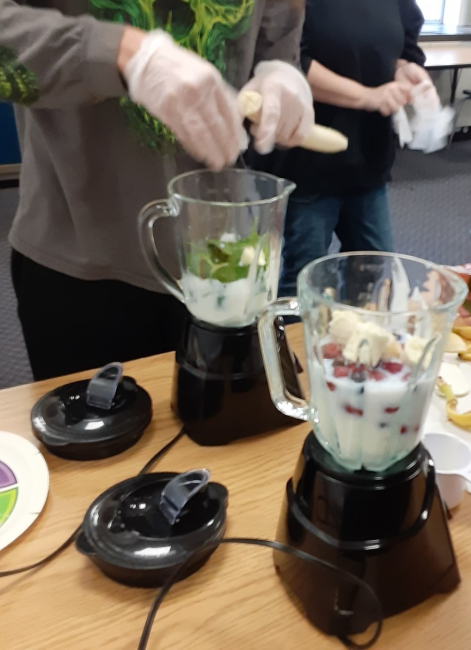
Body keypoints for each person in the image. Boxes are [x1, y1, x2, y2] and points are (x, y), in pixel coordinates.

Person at [1, 0, 314, 381]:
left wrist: (280, 65)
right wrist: (120, 53)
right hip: (82, 257)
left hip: (226, 259)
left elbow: (278, 23)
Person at [250, 0, 428, 297]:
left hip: (368, 160)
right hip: (306, 164)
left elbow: (401, 46)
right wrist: (368, 96)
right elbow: (289, 61)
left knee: (374, 272)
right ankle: (292, 344)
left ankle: (356, 342)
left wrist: (404, 70)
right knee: (304, 283)